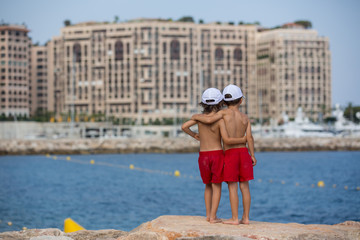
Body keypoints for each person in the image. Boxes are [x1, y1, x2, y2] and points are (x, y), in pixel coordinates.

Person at [192, 84, 257, 225]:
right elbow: (250, 138)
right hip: (244, 153)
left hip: (230, 154)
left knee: (232, 186)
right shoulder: (245, 118)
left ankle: (234, 218)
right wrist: (252, 155)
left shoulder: (223, 114)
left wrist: (196, 116)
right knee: (245, 186)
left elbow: (209, 120)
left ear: (224, 102)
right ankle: (245, 218)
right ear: (241, 101)